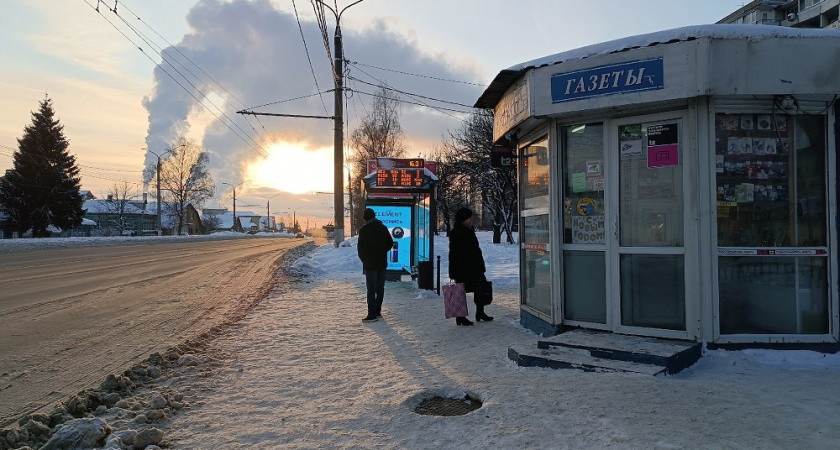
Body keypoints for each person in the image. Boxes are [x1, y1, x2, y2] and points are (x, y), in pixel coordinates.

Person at [448, 207, 493, 326]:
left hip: (474, 266)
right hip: (464, 267)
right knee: (460, 291)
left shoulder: (469, 230)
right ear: (463, 219)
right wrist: (455, 270)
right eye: (469, 217)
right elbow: (456, 253)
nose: (471, 219)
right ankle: (460, 317)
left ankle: (480, 312)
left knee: (481, 288)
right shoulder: (458, 232)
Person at [357, 208, 394, 323]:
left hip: (370, 264)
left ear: (365, 217)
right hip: (382, 262)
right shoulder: (383, 228)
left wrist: (365, 260)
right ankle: (378, 311)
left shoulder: (364, 230)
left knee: (371, 289)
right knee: (380, 287)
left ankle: (371, 314)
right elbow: (390, 243)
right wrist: (382, 252)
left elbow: (361, 249)